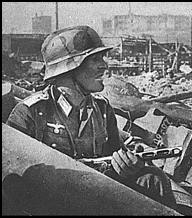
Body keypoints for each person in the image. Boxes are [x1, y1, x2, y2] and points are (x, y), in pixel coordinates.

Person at [6, 25, 176, 209]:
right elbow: (11, 175)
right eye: (94, 59)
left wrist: (126, 165)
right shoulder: (30, 112)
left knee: (152, 180)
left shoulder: (101, 108)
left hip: (95, 194)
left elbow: (114, 157)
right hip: (53, 202)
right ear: (68, 69)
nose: (104, 65)